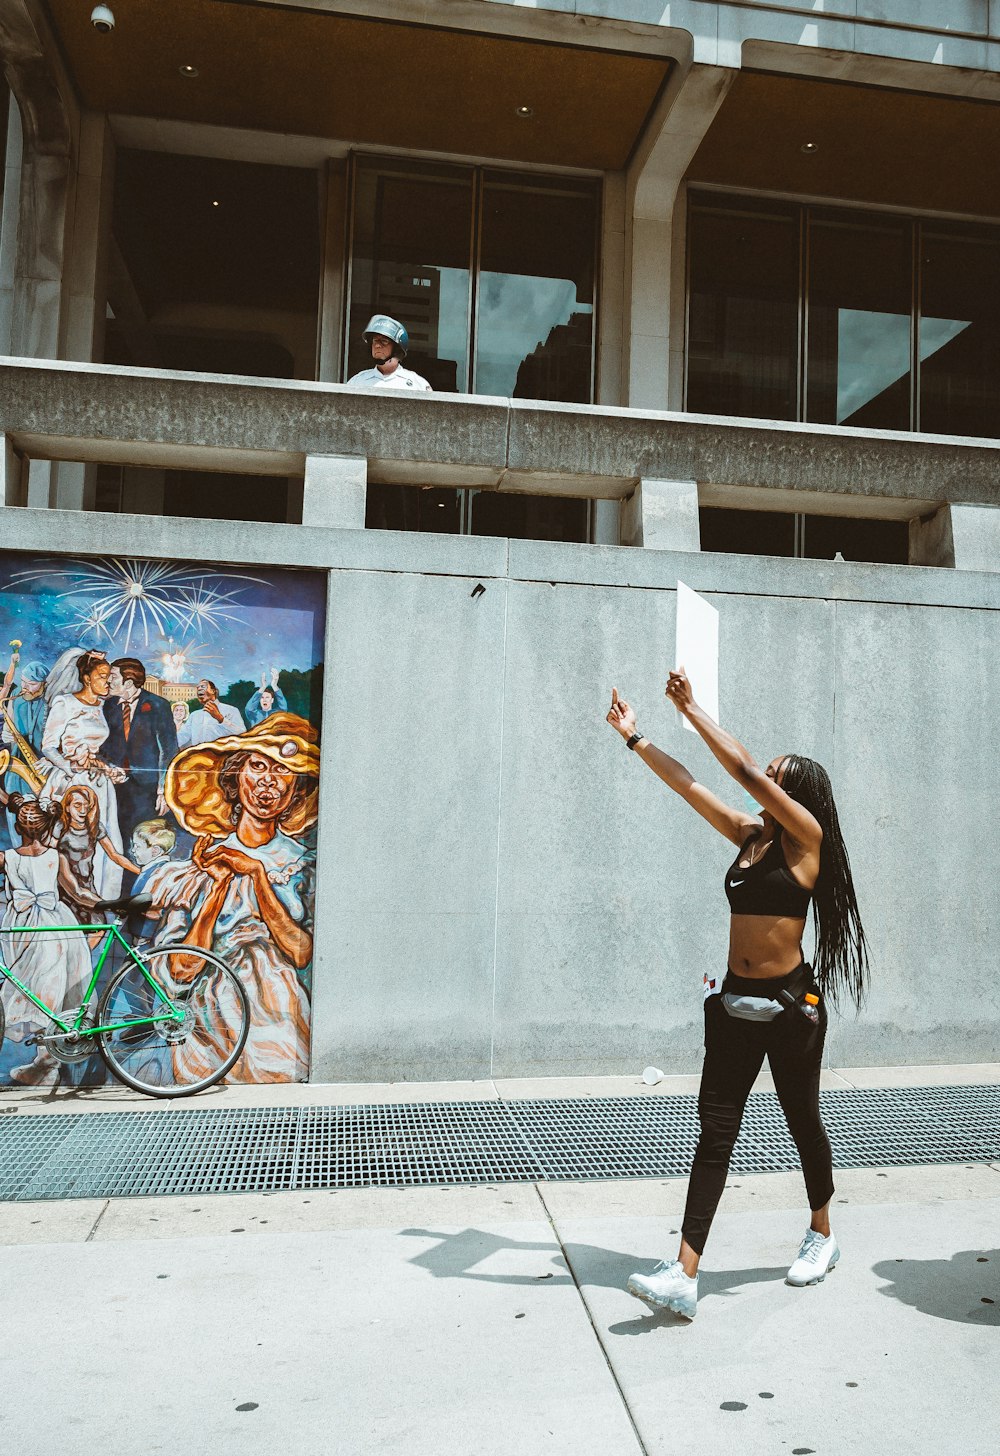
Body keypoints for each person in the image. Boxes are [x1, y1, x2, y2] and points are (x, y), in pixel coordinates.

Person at [606, 669, 869, 1320]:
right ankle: (685, 1272)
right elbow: (690, 786)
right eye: (771, 775)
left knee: (800, 1118)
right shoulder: (751, 839)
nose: (767, 781)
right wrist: (635, 737)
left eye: (779, 775)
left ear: (796, 791)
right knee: (716, 1131)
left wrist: (692, 710)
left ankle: (822, 1233)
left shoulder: (807, 838)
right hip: (733, 1004)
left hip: (789, 1007)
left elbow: (745, 769)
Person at [143, 712, 318, 1083]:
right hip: (207, 1022)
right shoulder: (199, 867)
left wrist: (255, 874)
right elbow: (180, 971)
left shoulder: (302, 864)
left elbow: (303, 952)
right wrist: (219, 887)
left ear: (297, 789)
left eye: (283, 770)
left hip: (278, 1017)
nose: (268, 781)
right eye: (257, 765)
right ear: (236, 778)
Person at [0, 795, 94, 1086]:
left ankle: (46, 1063)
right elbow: (78, 893)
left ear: (18, 827)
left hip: (26, 927)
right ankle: (46, 1061)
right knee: (50, 986)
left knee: (31, 987)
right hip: (55, 924)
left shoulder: (7, 857)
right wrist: (106, 904)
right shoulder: (56, 856)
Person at [40, 650, 126, 901]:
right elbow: (48, 747)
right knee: (75, 844)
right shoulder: (65, 703)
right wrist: (70, 766)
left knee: (108, 840)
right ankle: (74, 900)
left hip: (100, 785)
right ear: (87, 678)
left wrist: (107, 767)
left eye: (110, 676)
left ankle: (106, 900)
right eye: (102, 676)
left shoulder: (102, 706)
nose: (108, 682)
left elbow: (98, 749)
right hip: (72, 784)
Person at [102, 658, 179, 856]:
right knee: (117, 838)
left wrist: (163, 790)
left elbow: (168, 750)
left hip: (147, 789)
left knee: (145, 838)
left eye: (113, 677)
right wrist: (109, 766)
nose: (108, 681)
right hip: (114, 785)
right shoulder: (108, 706)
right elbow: (103, 746)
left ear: (128, 682)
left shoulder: (157, 705)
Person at [56, 784, 140, 929]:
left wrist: (141, 872)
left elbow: (114, 855)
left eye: (86, 806)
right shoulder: (60, 828)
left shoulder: (94, 827)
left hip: (87, 884)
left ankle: (84, 953)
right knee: (70, 929)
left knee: (99, 927)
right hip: (65, 886)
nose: (83, 810)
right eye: (77, 805)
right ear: (67, 807)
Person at [347, 314, 432, 392]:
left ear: (397, 349)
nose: (377, 345)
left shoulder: (417, 384)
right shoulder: (357, 382)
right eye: (375, 341)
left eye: (384, 341)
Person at [175, 679, 245, 748]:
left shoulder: (231, 710)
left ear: (213, 691)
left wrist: (220, 718)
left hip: (223, 757)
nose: (199, 689)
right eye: (197, 688)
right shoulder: (194, 715)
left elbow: (242, 734)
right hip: (198, 756)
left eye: (203, 686)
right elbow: (182, 736)